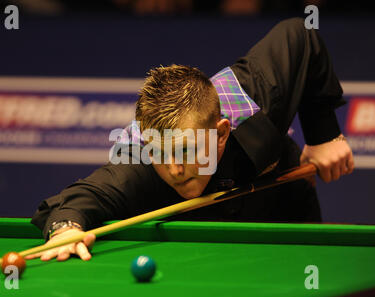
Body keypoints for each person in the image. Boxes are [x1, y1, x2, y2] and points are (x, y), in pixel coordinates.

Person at [28, 17, 354, 262]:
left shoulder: (258, 97)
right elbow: (83, 197)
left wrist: (324, 134)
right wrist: (66, 228)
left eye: (186, 151)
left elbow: (299, 34)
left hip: (281, 199)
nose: (174, 170)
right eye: (160, 152)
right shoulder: (139, 161)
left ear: (222, 132)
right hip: (197, 240)